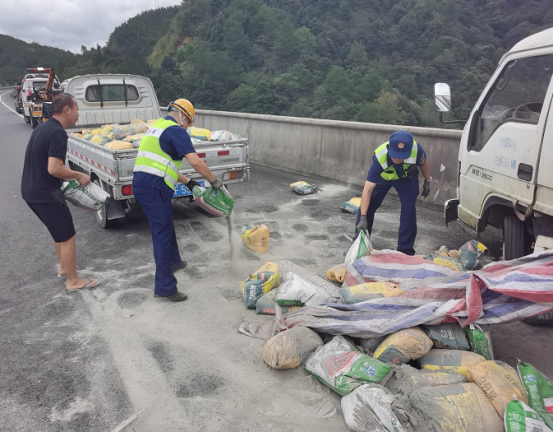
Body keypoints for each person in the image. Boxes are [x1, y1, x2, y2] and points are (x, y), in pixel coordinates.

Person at [133, 98, 224, 302]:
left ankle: (174, 261)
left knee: (165, 226)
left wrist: (189, 182)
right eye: (188, 122)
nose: (188, 127)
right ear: (183, 116)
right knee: (162, 233)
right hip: (154, 187)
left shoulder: (157, 127)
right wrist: (214, 181)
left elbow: (164, 164)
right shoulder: (175, 130)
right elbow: (195, 161)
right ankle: (165, 287)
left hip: (146, 184)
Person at [21, 93, 99, 290]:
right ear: (67, 109)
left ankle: (65, 268)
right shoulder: (58, 133)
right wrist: (78, 175)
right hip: (45, 193)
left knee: (59, 233)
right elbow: (54, 168)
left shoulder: (43, 127)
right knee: (68, 235)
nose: (78, 114)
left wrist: (65, 175)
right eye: (77, 109)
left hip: (30, 191)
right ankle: (73, 281)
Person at [355, 130, 431, 256]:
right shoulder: (380, 156)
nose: (397, 159)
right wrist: (363, 217)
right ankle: (360, 246)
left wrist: (428, 181)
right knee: (367, 207)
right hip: (383, 178)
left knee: (409, 210)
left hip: (406, 179)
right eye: (394, 155)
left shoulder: (416, 149)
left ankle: (405, 251)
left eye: (401, 156)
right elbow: (367, 190)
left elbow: (424, 163)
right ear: (389, 147)